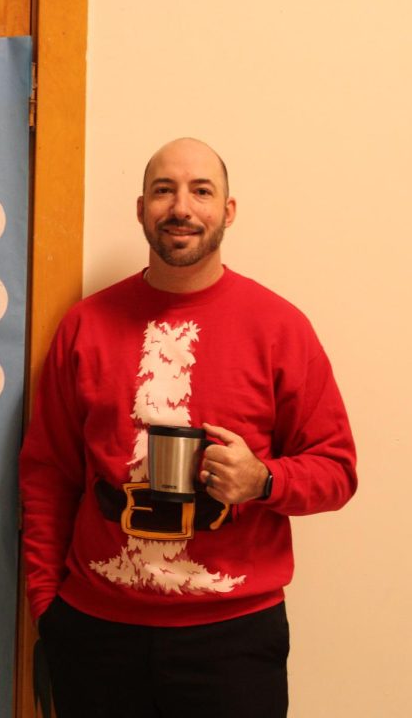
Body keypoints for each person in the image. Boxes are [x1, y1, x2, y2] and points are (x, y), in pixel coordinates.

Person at [19, 137, 358, 717]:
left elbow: (337, 471)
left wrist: (263, 480)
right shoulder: (85, 326)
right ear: (141, 208)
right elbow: (47, 475)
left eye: (202, 191)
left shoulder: (279, 327)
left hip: (233, 637)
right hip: (95, 632)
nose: (181, 207)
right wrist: (47, 604)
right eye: (163, 190)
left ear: (227, 211)